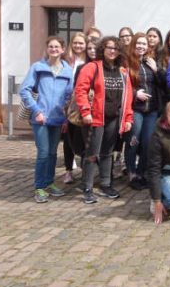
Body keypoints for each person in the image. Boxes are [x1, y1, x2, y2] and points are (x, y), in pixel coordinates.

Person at [74, 36, 134, 204]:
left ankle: (106, 184)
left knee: (107, 152)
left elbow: (127, 97)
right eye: (109, 47)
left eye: (116, 48)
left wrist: (128, 117)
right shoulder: (92, 67)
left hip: (114, 118)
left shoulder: (122, 71)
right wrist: (86, 111)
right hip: (94, 119)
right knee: (92, 154)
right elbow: (81, 90)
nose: (112, 50)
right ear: (103, 49)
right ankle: (87, 187)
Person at [20, 36, 74, 203]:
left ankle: (50, 183)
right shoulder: (38, 67)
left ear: (63, 50)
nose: (54, 49)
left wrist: (66, 117)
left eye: (57, 47)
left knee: (52, 152)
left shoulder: (67, 70)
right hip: (41, 118)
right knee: (43, 153)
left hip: (57, 119)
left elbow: (69, 95)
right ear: (47, 49)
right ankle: (39, 187)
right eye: (51, 46)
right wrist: (36, 110)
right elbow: (24, 90)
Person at [125, 33, 161, 190]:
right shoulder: (126, 63)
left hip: (151, 110)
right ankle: (132, 173)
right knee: (133, 141)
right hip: (135, 109)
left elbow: (161, 84)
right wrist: (135, 94)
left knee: (147, 143)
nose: (141, 46)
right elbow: (123, 86)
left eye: (144, 44)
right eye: (138, 43)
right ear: (133, 44)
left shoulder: (150, 62)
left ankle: (141, 173)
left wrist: (156, 69)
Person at [61, 31, 88, 184]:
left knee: (81, 138)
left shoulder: (89, 60)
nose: (78, 45)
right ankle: (68, 170)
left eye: (81, 43)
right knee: (67, 138)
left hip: (80, 103)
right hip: (67, 103)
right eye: (75, 43)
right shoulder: (66, 60)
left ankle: (85, 170)